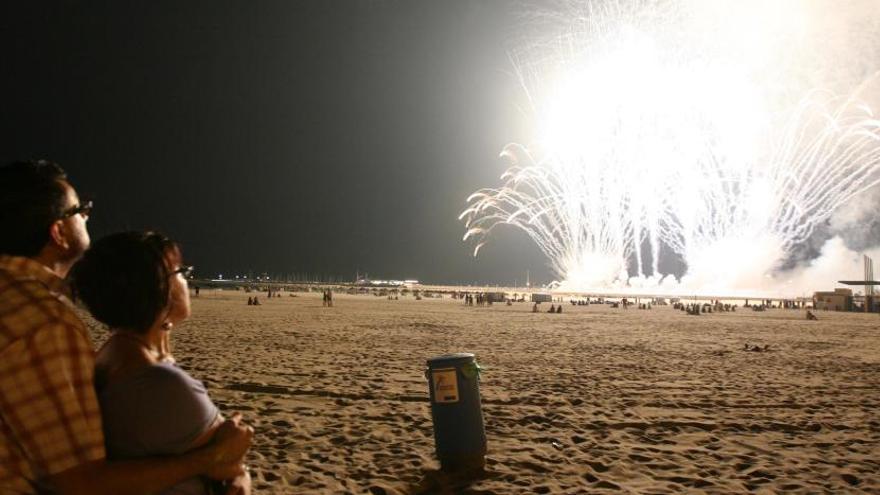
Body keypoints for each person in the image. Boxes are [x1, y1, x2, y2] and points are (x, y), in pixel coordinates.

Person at [0, 161, 252, 494]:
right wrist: (211, 457)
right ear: (58, 233)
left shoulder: (13, 299)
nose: (88, 215)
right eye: (81, 209)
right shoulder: (45, 323)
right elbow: (79, 483)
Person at [72, 231, 251, 495]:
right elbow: (230, 456)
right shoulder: (161, 384)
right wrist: (237, 469)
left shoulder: (112, 354)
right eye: (180, 272)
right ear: (160, 289)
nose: (186, 280)